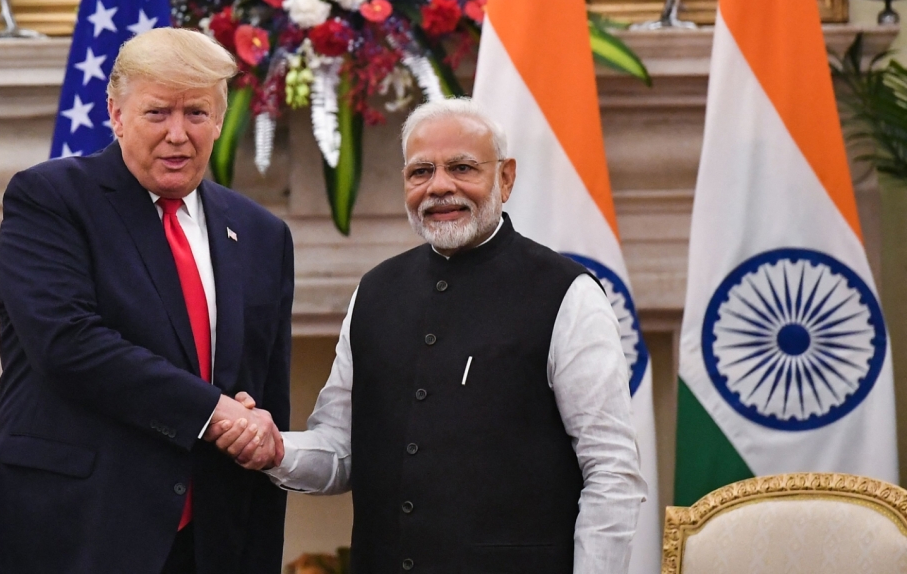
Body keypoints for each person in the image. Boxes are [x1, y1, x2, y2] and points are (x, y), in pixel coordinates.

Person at [212, 98, 644, 574]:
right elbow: (340, 449)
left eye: (462, 168)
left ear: (505, 178)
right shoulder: (375, 292)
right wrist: (277, 449)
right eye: (421, 172)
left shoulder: (568, 294)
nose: (440, 187)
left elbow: (611, 472)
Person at [0, 28, 293, 574]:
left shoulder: (261, 233)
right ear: (116, 114)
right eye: (157, 113)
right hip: (72, 532)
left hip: (209, 541)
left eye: (196, 113)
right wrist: (212, 413)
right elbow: (68, 345)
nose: (178, 135)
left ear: (219, 119)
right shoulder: (50, 199)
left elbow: (265, 397)